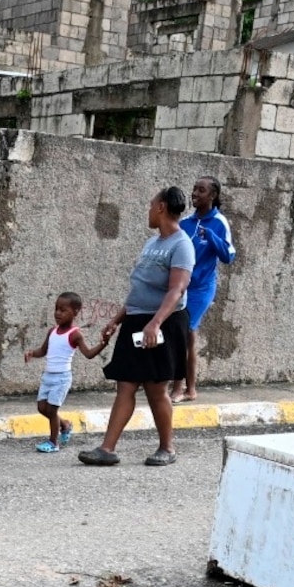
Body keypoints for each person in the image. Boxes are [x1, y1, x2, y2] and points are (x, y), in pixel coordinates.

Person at [82, 188, 194, 468]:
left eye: (150, 204)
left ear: (161, 207)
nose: (148, 210)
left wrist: (154, 324)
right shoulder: (152, 243)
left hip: (163, 323)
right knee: (126, 384)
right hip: (137, 320)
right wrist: (117, 319)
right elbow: (140, 288)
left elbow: (177, 289)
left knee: (157, 388)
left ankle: (167, 448)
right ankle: (107, 449)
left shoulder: (182, 244)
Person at [174, 178, 235, 403]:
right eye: (194, 189)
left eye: (201, 190)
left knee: (183, 332)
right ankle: (191, 389)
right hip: (181, 288)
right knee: (188, 337)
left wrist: (211, 237)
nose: (195, 193)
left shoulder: (219, 222)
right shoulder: (186, 223)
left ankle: (178, 388)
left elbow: (228, 256)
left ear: (212, 196)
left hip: (201, 290)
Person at [23, 291, 109, 452]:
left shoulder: (75, 334)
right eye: (56, 309)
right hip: (48, 376)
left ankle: (53, 443)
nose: (57, 313)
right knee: (42, 408)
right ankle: (65, 424)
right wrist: (32, 353)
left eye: (63, 310)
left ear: (75, 312)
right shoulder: (52, 331)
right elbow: (43, 350)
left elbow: (88, 354)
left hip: (62, 378)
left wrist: (103, 344)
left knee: (52, 410)